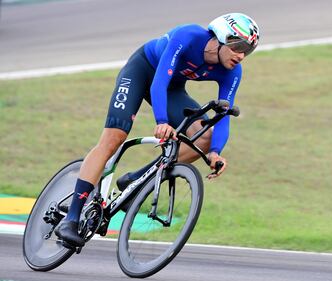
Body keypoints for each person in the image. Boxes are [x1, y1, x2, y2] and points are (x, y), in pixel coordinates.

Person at [54, 13, 260, 247]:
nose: (241, 55)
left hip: (172, 89)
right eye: (239, 46)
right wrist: (161, 120)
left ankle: (136, 181)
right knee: (113, 139)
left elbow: (224, 116)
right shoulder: (189, 36)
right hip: (142, 72)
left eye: (248, 51)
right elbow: (159, 81)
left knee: (203, 139)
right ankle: (70, 219)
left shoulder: (233, 72)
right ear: (223, 36)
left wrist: (215, 151)